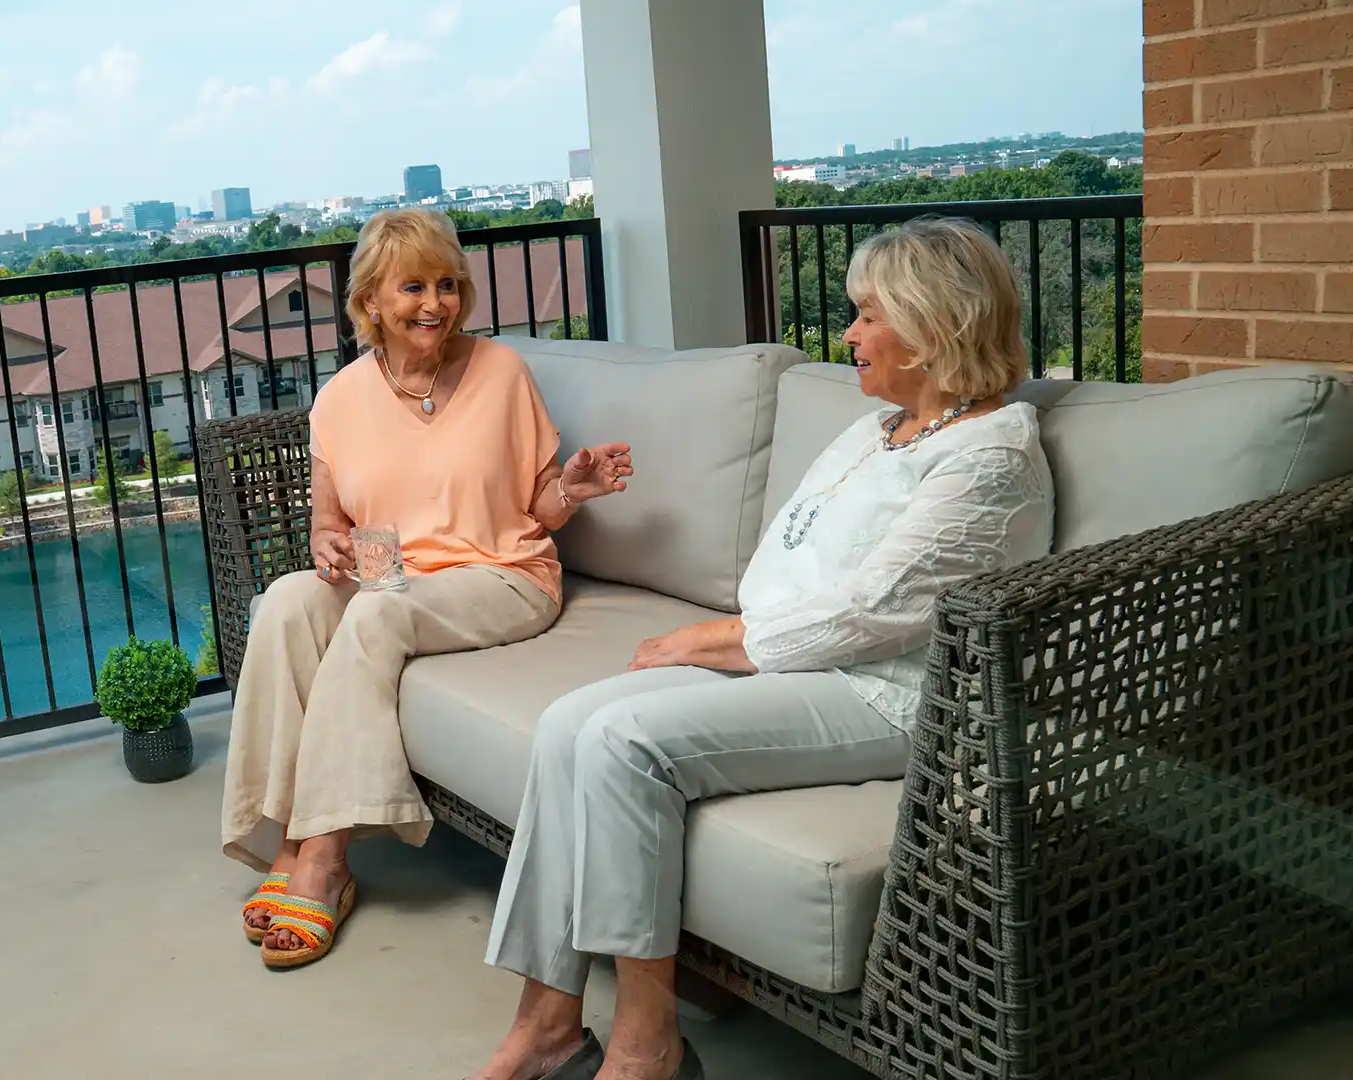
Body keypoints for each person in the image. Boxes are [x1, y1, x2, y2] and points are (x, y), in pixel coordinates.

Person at [472, 217, 1055, 1080]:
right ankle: (545, 1024)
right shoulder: (879, 430)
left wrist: (716, 640)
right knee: (568, 727)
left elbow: (873, 609)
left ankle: (645, 1044)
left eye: (867, 316)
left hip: (895, 695)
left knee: (625, 741)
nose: (848, 335)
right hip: (803, 663)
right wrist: (735, 641)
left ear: (937, 325)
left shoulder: (990, 455)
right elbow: (788, 566)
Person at [222, 208, 635, 970]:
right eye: (413, 286)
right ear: (370, 301)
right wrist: (328, 547)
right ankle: (279, 828)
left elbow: (538, 505)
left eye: (448, 285)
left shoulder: (501, 373)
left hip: (501, 573)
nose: (434, 303)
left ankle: (322, 855)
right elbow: (327, 523)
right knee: (286, 602)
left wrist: (573, 488)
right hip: (393, 571)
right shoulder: (341, 397)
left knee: (379, 615)